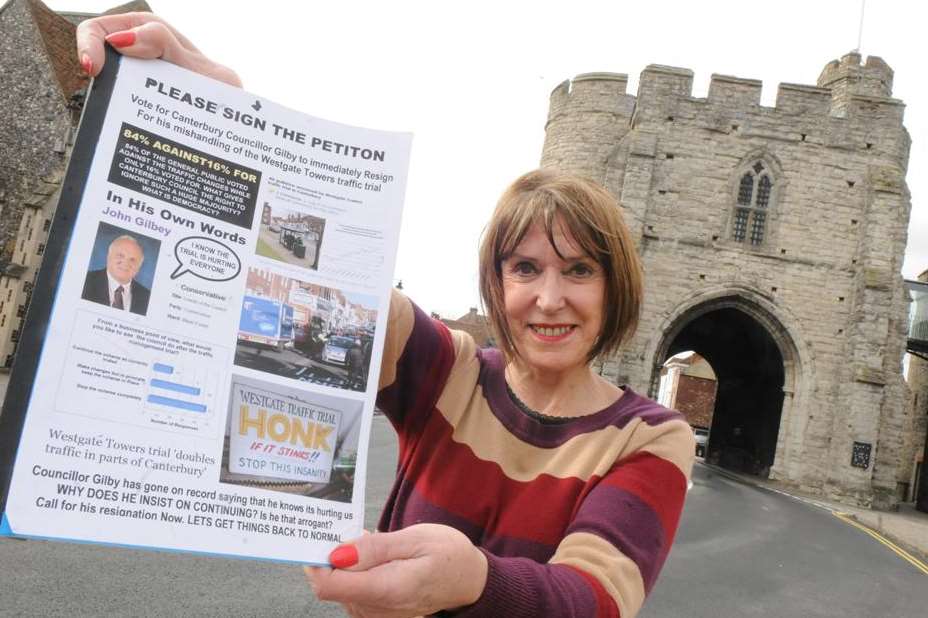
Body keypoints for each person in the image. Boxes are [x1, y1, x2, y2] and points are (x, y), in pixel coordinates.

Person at [77, 15, 694, 617]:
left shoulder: (651, 438)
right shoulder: (449, 370)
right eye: (526, 269)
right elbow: (324, 277)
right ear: (496, 282)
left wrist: (475, 582)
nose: (550, 297)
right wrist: (228, 118)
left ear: (616, 287)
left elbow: (594, 599)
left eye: (580, 270)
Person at [81, 233, 151, 316]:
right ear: (108, 256)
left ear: (139, 266)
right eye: (120, 256)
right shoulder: (84, 281)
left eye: (132, 260)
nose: (125, 263)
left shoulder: (148, 297)